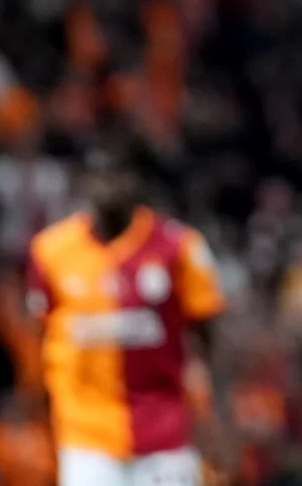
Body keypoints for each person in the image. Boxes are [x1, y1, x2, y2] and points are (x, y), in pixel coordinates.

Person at [25, 143, 230, 486]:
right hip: (85, 434)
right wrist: (40, 423)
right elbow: (40, 344)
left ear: (138, 180)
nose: (110, 185)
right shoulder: (50, 252)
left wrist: (220, 422)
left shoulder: (179, 247)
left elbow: (211, 343)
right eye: (100, 174)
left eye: (119, 173)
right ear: (82, 181)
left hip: (165, 433)